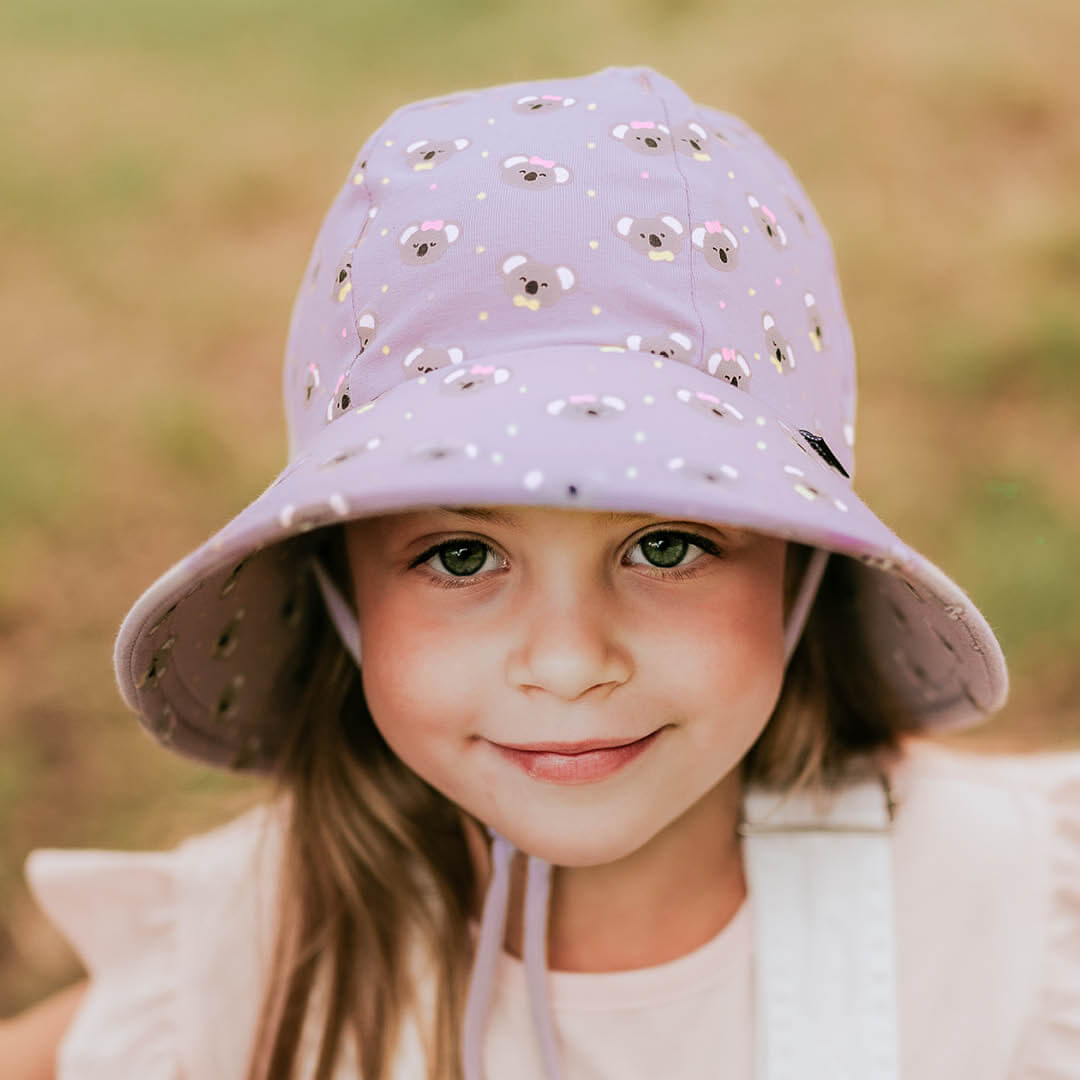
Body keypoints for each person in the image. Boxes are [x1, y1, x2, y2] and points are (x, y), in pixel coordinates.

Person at [6, 65, 1078, 1080]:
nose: (567, 665)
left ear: (803, 575)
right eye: (461, 556)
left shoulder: (1004, 915)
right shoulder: (258, 950)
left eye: (667, 546)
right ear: (340, 588)